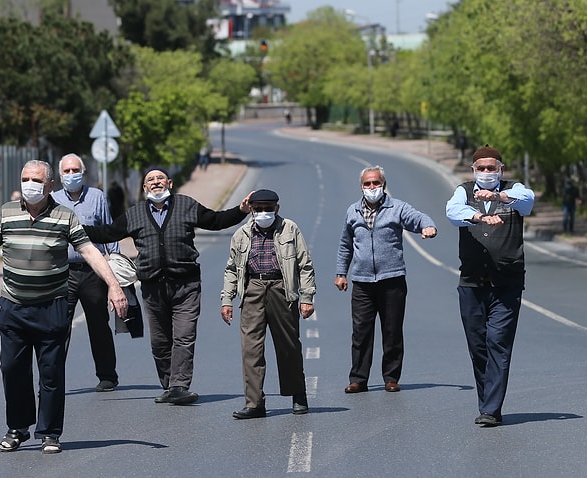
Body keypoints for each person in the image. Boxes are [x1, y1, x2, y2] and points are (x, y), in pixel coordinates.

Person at [0, 160, 128, 454]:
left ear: (51, 185)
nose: (29, 184)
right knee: (12, 369)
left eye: (36, 179)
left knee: (51, 372)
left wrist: (114, 285)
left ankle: (49, 432)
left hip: (52, 307)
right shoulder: (6, 213)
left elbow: (89, 251)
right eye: (25, 178)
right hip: (13, 307)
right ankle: (18, 427)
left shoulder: (65, 216)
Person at [84, 166, 253, 405]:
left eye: (160, 178)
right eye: (150, 179)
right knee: (160, 342)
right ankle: (168, 385)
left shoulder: (186, 205)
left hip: (186, 285)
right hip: (152, 288)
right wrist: (72, 229)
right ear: (144, 188)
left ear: (170, 183)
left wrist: (240, 210)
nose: (155, 182)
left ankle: (179, 385)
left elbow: (216, 220)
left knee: (184, 337)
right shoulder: (134, 214)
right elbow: (107, 233)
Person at [445, 145, 534, 427]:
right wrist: (479, 216)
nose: (486, 172)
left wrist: (498, 196)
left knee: (498, 342)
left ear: (500, 169)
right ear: (473, 170)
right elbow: (452, 211)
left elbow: (527, 200)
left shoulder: (513, 190)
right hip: (471, 282)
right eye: (480, 168)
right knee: (478, 345)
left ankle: (491, 409)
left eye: (491, 167)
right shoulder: (463, 191)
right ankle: (488, 403)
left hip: (506, 283)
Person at [334, 166, 437, 395]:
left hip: (392, 280)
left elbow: (418, 217)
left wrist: (428, 226)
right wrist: (341, 273)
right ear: (361, 186)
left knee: (392, 331)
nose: (372, 187)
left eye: (376, 183)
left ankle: (391, 377)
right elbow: (345, 245)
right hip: (362, 282)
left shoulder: (396, 208)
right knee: (360, 332)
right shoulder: (352, 212)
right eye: (367, 184)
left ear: (383, 184)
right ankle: (358, 379)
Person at [221, 189, 316, 419]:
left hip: (281, 289)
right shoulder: (241, 234)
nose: (264, 213)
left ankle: (298, 394)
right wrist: (227, 299)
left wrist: (306, 297)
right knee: (251, 349)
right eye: (259, 209)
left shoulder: (290, 229)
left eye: (268, 209)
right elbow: (232, 269)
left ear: (277, 209)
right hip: (253, 289)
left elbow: (305, 265)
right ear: (251, 210)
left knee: (288, 345)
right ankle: (254, 403)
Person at [51, 153, 121, 392]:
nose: (71, 175)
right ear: (60, 176)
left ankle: (107, 375)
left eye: (75, 170)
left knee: (99, 325)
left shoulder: (97, 196)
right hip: (63, 273)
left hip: (93, 272)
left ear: (83, 172)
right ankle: (53, 379)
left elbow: (108, 230)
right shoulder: (52, 199)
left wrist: (115, 269)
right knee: (58, 327)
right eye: (67, 171)